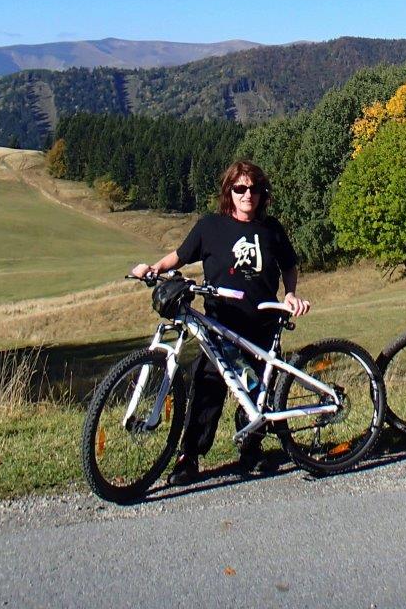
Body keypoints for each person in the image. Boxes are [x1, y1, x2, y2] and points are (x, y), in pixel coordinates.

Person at [131, 161, 309, 485]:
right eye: (240, 188)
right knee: (208, 387)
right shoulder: (210, 227)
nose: (248, 195)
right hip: (219, 326)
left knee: (256, 388)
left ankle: (251, 446)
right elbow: (179, 256)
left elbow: (289, 265)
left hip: (263, 323)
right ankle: (190, 457)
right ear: (229, 192)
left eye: (254, 189)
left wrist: (292, 293)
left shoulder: (272, 230)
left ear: (262, 194)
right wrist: (152, 268)